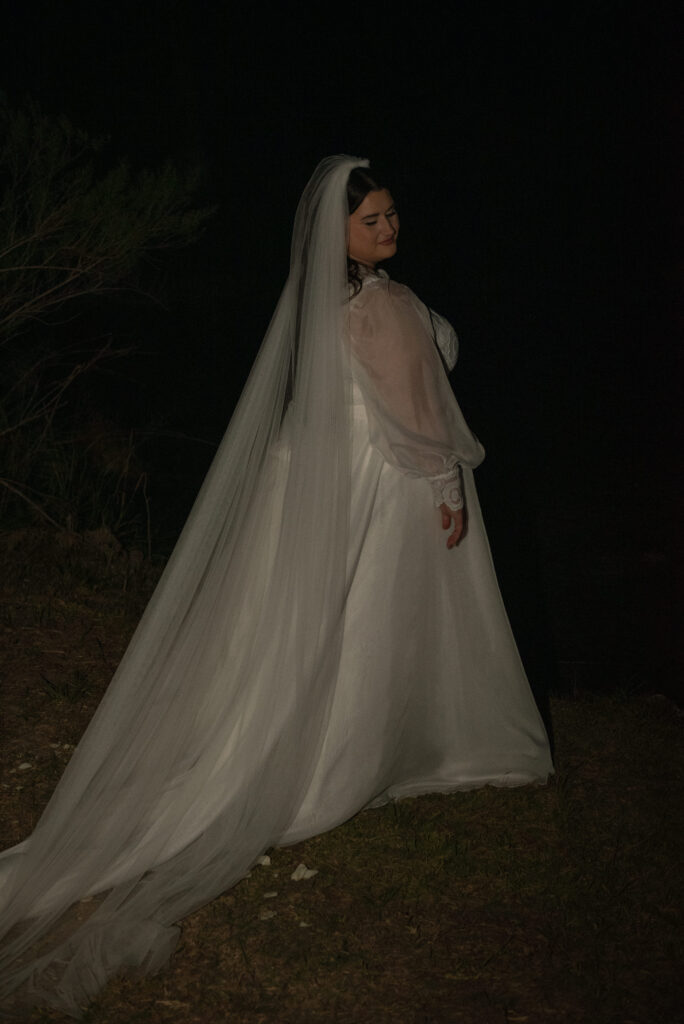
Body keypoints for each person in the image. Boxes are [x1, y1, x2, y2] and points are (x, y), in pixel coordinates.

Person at [0, 155, 553, 1017]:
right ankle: (356, 750)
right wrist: (447, 487)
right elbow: (417, 410)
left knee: (300, 626)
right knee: (370, 621)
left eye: (393, 215)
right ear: (336, 230)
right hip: (381, 480)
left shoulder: (323, 304)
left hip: (309, 483)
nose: (389, 229)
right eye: (372, 219)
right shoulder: (385, 305)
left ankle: (299, 740)